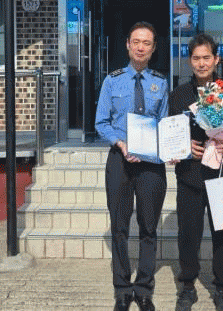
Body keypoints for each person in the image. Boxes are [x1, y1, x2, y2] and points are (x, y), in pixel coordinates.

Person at [170, 33, 223, 311]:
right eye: (196, 58)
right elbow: (170, 133)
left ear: (216, 59)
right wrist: (185, 148)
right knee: (188, 233)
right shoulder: (179, 95)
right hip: (190, 175)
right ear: (189, 61)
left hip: (222, 174)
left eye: (207, 57)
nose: (201, 63)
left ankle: (221, 287)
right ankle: (187, 286)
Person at [95, 21, 169, 311]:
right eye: (136, 42)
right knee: (119, 227)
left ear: (153, 48)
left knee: (149, 227)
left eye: (146, 43)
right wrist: (121, 143)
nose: (140, 47)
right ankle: (123, 289)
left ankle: (144, 288)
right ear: (127, 44)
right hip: (120, 159)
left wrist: (170, 148)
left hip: (151, 162)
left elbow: (164, 124)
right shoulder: (112, 81)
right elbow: (101, 122)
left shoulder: (161, 82)